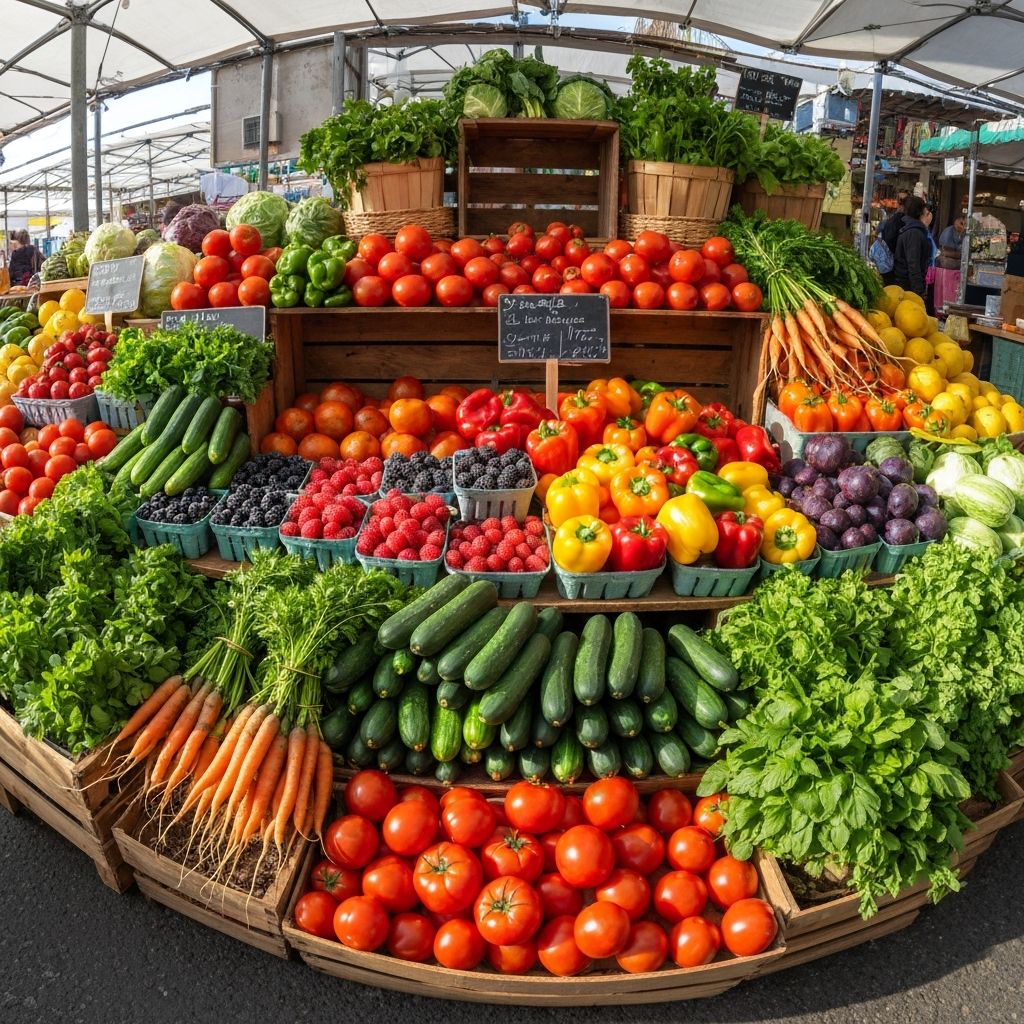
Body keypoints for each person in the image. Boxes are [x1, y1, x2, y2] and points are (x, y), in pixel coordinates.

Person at [893, 196, 931, 299]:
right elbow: (913, 265)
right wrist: (919, 293)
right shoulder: (914, 233)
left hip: (907, 285)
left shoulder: (912, 229)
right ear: (920, 211)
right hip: (908, 288)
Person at [933, 216, 966, 314]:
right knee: (944, 297)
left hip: (955, 270)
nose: (963, 226)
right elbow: (946, 251)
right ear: (956, 221)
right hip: (946, 269)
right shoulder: (948, 232)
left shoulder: (962, 233)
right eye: (961, 223)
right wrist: (962, 256)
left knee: (953, 296)